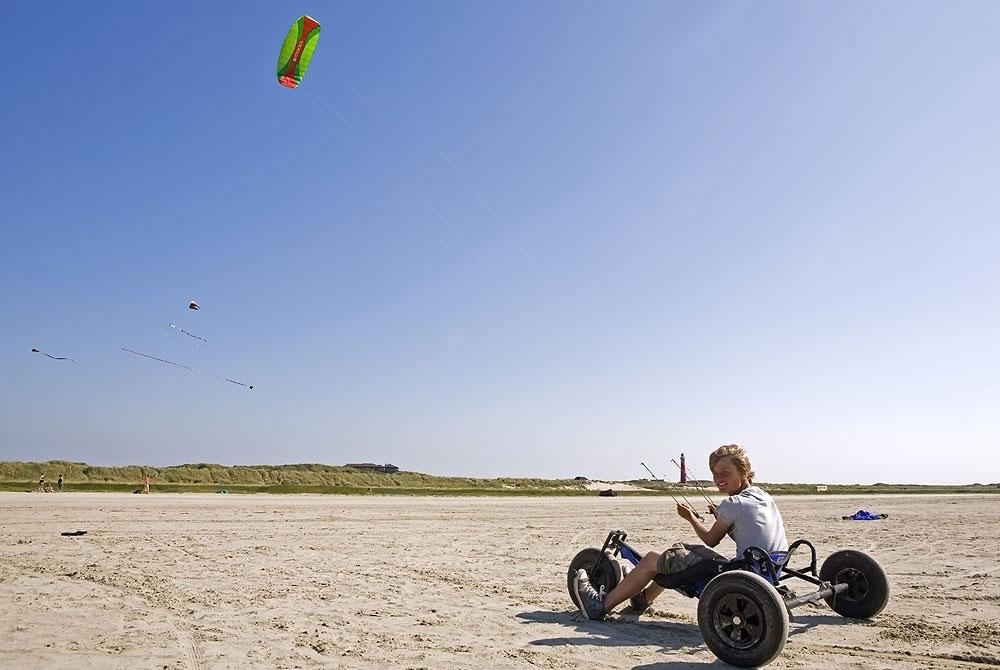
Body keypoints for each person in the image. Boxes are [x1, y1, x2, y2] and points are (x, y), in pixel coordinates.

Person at [572, 444, 788, 620]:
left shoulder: (732, 504)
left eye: (725, 473)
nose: (718, 478)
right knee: (679, 551)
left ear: (742, 471)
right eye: (714, 474)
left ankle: (600, 606)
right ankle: (642, 599)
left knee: (652, 560)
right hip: (768, 567)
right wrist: (718, 515)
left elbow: (712, 540)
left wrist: (690, 518)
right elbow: (746, 525)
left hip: (745, 574)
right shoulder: (762, 496)